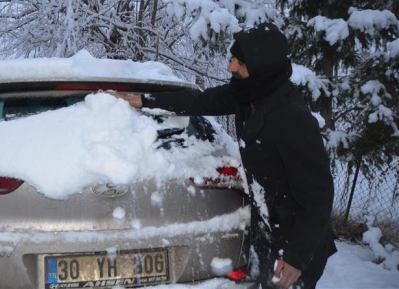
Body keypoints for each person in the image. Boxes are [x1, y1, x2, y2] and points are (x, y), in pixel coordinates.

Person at [114, 23, 336, 289]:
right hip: (269, 226)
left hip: (296, 241)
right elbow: (201, 101)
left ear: (261, 67)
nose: (230, 67)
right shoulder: (251, 92)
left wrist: (296, 258)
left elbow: (318, 197)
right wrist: (144, 100)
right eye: (232, 58)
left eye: (238, 62)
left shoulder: (292, 119)